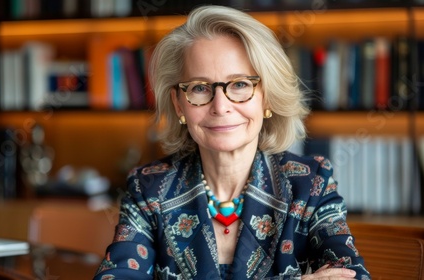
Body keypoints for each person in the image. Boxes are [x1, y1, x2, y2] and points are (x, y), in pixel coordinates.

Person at [94, 5, 370, 280]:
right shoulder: (148, 188)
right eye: (200, 88)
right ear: (179, 104)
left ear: (268, 96)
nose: (220, 106)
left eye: (239, 84)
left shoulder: (310, 183)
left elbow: (352, 276)